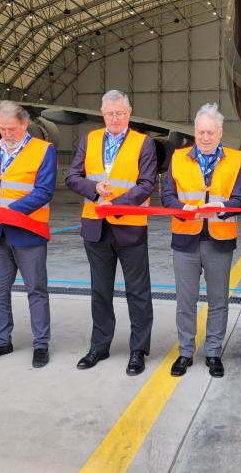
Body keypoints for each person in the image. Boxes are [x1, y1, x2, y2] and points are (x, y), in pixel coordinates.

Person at [66, 90, 157, 376]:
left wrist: (114, 203)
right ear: (102, 113)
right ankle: (99, 346)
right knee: (100, 291)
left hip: (129, 225)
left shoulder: (144, 143)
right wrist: (94, 190)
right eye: (109, 113)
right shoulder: (89, 140)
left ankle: (138, 350)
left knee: (138, 292)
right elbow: (72, 177)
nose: (114, 118)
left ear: (129, 113)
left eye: (119, 113)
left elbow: (147, 184)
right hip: (95, 227)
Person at [161, 103, 241, 377]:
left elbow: (240, 198)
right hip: (185, 237)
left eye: (211, 132)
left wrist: (221, 207)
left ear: (220, 133)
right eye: (200, 133)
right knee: (186, 300)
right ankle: (185, 351)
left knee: (218, 300)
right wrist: (182, 209)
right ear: (194, 133)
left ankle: (213, 352)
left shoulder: (235, 159)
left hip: (219, 238)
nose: (205, 138)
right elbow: (168, 196)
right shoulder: (178, 157)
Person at [0, 101, 56, 368]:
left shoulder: (44, 151)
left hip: (29, 233)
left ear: (24, 124)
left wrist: (7, 211)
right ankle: (1, 341)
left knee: (36, 290)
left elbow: (43, 191)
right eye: (1, 128)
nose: (6, 133)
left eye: (12, 128)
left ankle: (41, 343)